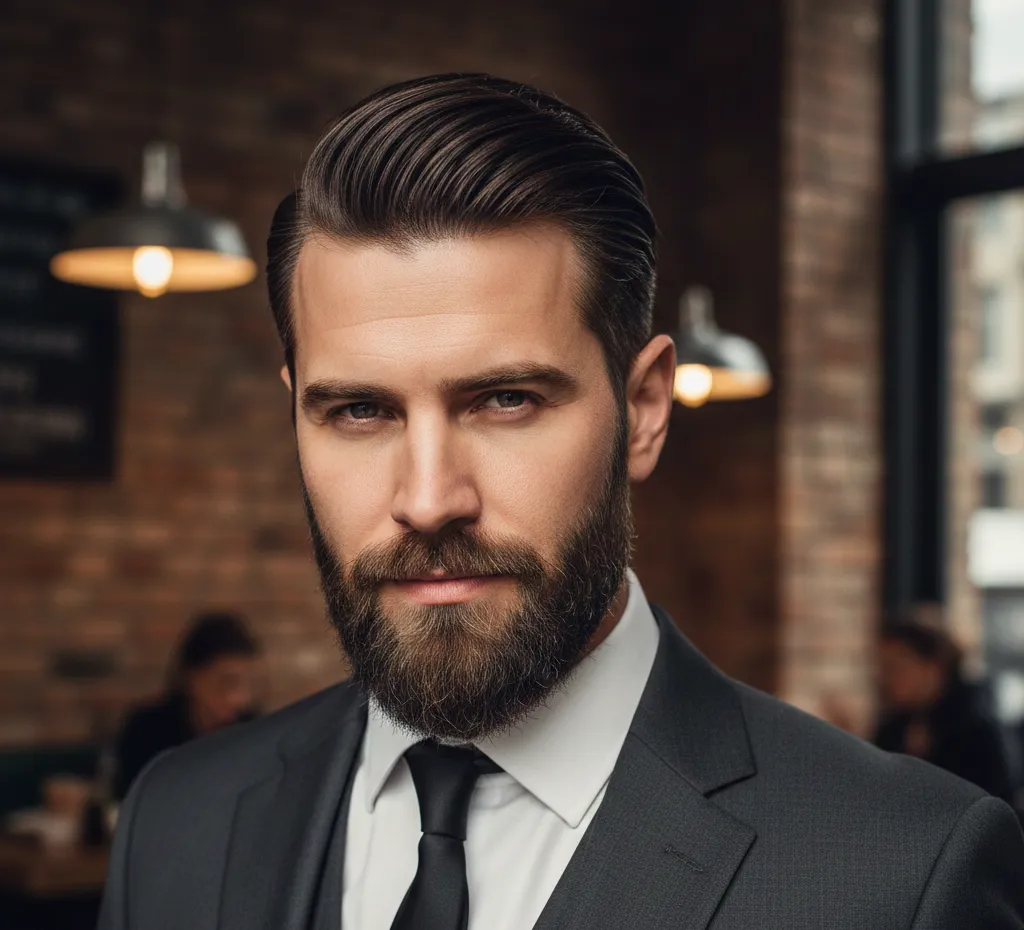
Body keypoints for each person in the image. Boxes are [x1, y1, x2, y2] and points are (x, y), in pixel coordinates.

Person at [99, 74, 1024, 930]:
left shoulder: (901, 876)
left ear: (646, 411)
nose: (428, 500)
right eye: (359, 410)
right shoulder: (178, 820)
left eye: (506, 400)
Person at [112, 611, 260, 799]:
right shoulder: (145, 729)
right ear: (192, 678)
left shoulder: (253, 731)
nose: (240, 698)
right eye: (227, 683)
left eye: (248, 684)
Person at [873, 615, 1016, 804]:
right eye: (882, 669)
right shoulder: (896, 725)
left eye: (896, 667)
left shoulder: (977, 731)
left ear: (933, 668)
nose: (885, 679)